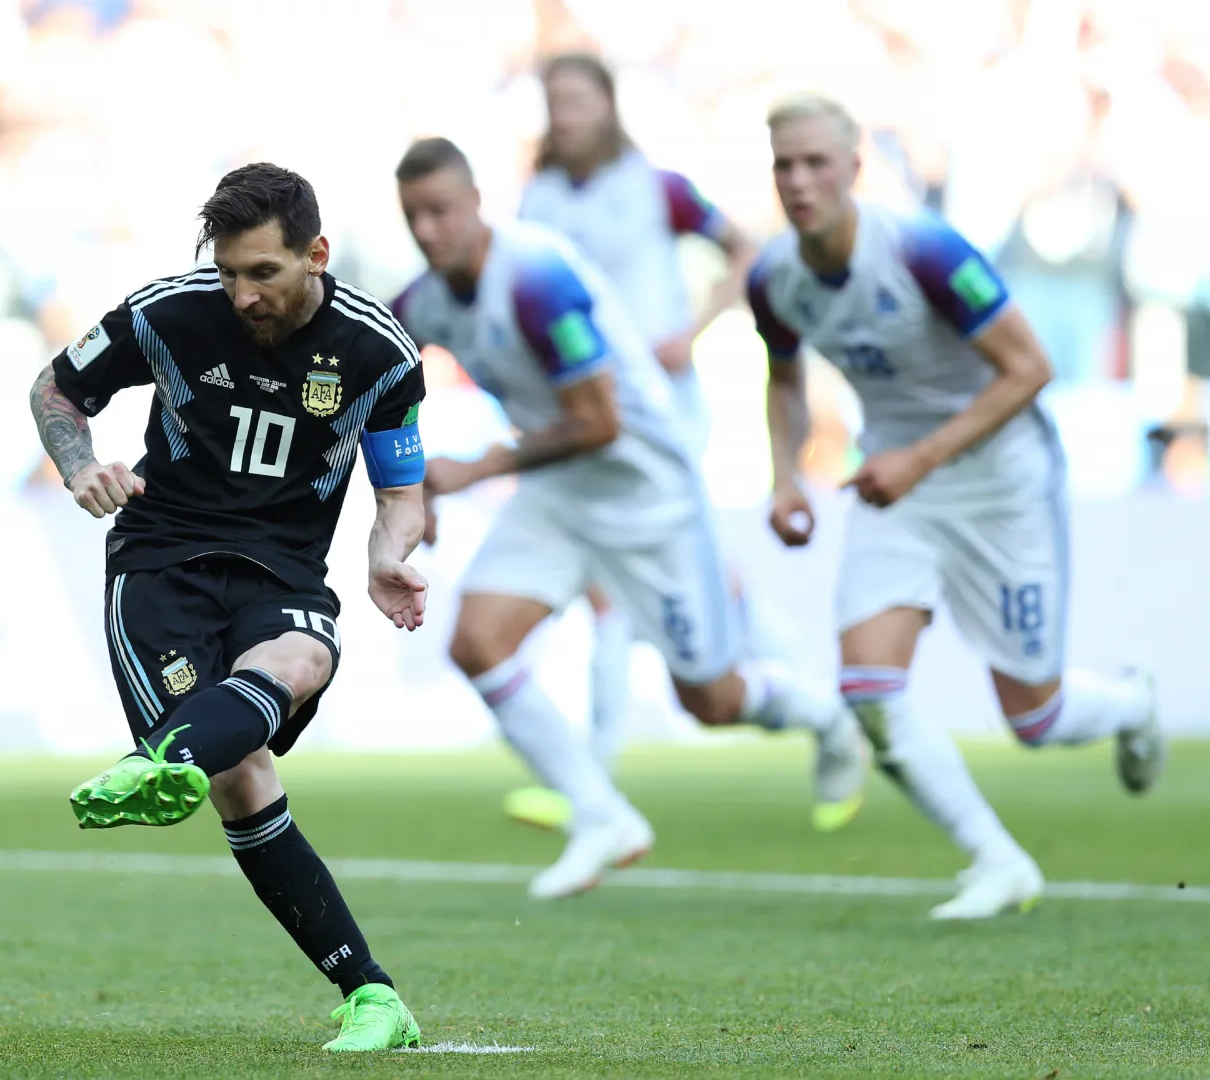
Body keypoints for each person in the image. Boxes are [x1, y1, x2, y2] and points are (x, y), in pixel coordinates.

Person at [389, 138, 868, 899]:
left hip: (648, 497)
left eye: (441, 210)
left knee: (709, 699)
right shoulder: (421, 300)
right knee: (477, 643)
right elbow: (388, 380)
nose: (429, 230)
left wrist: (475, 469)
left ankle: (828, 717)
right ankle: (601, 814)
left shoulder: (538, 278)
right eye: (414, 216)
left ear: (477, 202)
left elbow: (600, 423)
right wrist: (409, 484)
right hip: (561, 496)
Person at [29, 164, 426, 1051]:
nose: (241, 294)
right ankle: (373, 996)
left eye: (263, 274)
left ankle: (154, 761)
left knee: (302, 660)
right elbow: (55, 389)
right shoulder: (168, 313)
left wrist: (386, 551)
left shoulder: (379, 352)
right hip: (161, 561)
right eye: (228, 273)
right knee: (240, 777)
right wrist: (78, 464)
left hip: (283, 568)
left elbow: (403, 489)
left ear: (315, 256)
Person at [751, 93, 1168, 920]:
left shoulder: (923, 249)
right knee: (870, 688)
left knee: (1035, 717)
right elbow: (786, 378)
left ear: (853, 169)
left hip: (1000, 480)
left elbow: (1029, 367)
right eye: (783, 165)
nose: (798, 181)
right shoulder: (774, 277)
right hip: (897, 484)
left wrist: (920, 456)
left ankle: (1132, 704)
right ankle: (998, 859)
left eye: (815, 163)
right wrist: (786, 474)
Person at [507, 54, 790, 823]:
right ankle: (813, 690)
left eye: (577, 98)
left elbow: (747, 250)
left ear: (606, 105)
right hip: (583, 408)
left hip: (659, 407)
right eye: (553, 98)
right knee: (681, 571)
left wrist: (695, 327)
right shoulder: (539, 195)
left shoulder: (656, 186)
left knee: (616, 581)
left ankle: (591, 786)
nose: (565, 112)